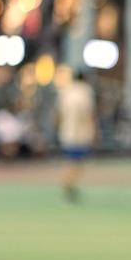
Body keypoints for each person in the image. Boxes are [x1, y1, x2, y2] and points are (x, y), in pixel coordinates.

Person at [56, 70, 96, 202]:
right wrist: (94, 131)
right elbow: (88, 114)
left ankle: (69, 185)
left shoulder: (65, 91)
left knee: (72, 161)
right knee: (76, 163)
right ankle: (68, 185)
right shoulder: (85, 91)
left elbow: (58, 114)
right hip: (80, 134)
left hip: (66, 132)